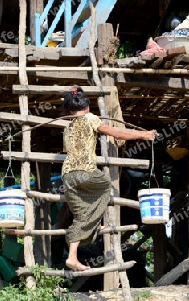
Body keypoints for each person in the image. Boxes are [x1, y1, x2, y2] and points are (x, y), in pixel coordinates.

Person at [61, 86, 157, 271]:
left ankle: (72, 256)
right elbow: (117, 133)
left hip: (68, 176)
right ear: (87, 106)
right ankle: (98, 224)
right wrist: (143, 134)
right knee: (106, 187)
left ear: (69, 110)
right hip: (86, 172)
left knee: (81, 214)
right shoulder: (90, 118)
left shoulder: (68, 127)